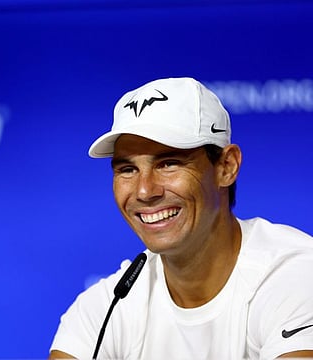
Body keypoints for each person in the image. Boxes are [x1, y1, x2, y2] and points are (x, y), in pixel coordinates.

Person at [48, 77, 313, 359]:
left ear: (226, 167)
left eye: (169, 163)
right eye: (127, 169)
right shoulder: (104, 308)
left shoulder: (295, 274)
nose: (145, 190)